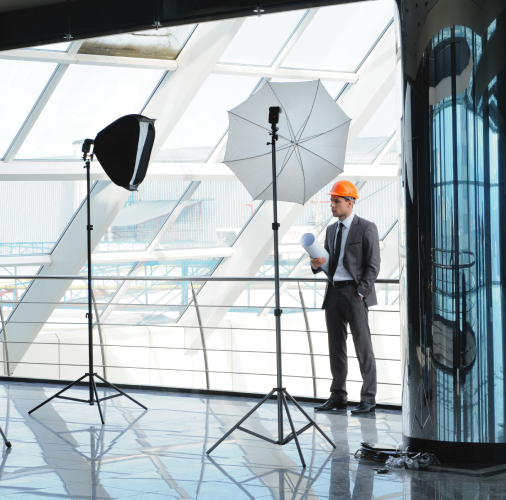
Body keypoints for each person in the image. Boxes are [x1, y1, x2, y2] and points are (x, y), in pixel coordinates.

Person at [311, 180, 380, 414]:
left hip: (354, 294)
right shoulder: (331, 230)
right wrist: (316, 264)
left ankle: (368, 399)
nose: (331, 205)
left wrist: (361, 293)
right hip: (333, 292)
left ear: (350, 203)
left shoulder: (366, 227)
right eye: (331, 200)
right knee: (335, 347)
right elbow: (329, 262)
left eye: (336, 201)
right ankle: (338, 396)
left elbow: (373, 266)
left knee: (363, 347)